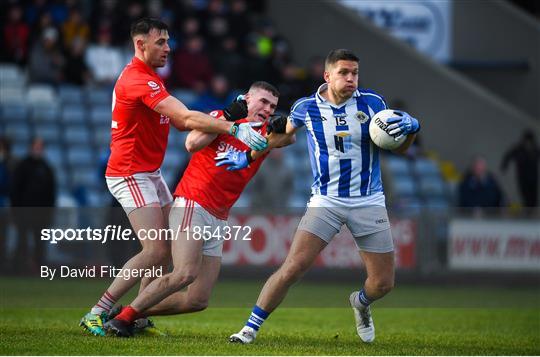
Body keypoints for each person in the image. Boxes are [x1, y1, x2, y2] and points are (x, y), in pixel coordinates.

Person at [79, 17, 268, 337]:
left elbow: (184, 122)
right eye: (161, 42)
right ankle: (96, 312)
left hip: (149, 173)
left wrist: (228, 116)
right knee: (155, 250)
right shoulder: (139, 79)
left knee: (166, 247)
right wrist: (232, 126)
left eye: (169, 42)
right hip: (129, 173)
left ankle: (133, 317)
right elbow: (183, 119)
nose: (168, 48)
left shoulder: (150, 77)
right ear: (140, 44)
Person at [224, 49, 420, 344]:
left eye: (355, 73)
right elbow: (282, 136)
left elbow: (399, 148)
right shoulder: (306, 107)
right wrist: (248, 157)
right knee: (292, 268)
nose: (351, 78)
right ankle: (249, 329)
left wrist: (412, 131)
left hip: (368, 200)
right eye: (344, 72)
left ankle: (361, 303)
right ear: (327, 76)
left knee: (382, 284)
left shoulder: (373, 103)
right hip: (326, 200)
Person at [103, 81, 292, 337]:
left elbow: (290, 137)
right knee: (184, 272)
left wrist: (285, 126)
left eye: (273, 106)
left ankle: (132, 313)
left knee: (198, 300)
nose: (268, 109)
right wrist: (229, 118)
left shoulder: (267, 132)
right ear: (247, 98)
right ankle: (123, 319)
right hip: (193, 203)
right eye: (263, 102)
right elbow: (191, 143)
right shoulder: (220, 118)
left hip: (219, 216)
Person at [10, 138, 56, 273]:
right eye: (37, 146)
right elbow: (15, 190)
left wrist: (49, 212)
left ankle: (39, 269)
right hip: (24, 212)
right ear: (31, 147)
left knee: (40, 243)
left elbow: (51, 192)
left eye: (41, 147)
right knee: (22, 242)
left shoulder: (46, 167)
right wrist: (15, 210)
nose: (39, 149)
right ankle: (19, 269)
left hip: (41, 214)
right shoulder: (23, 166)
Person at [501, 130, 539, 208]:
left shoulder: (535, 149)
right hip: (522, 176)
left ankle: (532, 209)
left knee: (533, 196)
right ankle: (528, 209)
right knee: (525, 194)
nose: (528, 143)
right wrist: (504, 166)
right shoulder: (518, 148)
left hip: (533, 177)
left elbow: (508, 156)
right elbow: (508, 156)